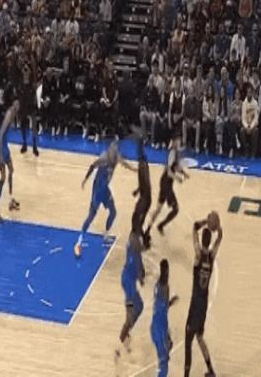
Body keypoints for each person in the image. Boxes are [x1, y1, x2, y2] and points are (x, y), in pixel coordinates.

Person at [75, 141, 135, 256]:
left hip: (105, 189)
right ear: (110, 150)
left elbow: (124, 163)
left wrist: (135, 169)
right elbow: (92, 166)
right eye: (114, 151)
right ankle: (79, 240)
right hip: (97, 190)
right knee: (91, 215)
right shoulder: (104, 158)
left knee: (113, 212)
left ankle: (106, 234)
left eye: (117, 151)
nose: (117, 154)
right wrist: (85, 180)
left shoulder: (116, 157)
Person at [184, 213, 223, 377]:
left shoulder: (198, 255)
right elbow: (220, 237)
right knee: (199, 338)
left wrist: (206, 221)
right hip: (203, 304)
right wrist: (217, 226)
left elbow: (194, 227)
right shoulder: (211, 257)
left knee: (188, 341)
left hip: (195, 304)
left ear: (202, 240)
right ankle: (211, 371)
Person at [146, 135, 189, 238]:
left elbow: (176, 167)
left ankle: (147, 230)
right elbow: (169, 172)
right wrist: (177, 178)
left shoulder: (175, 152)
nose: (179, 142)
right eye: (178, 141)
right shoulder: (172, 153)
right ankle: (160, 225)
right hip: (166, 183)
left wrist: (183, 173)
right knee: (175, 209)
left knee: (158, 209)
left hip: (165, 183)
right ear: (174, 141)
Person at [116, 228, 145, 356]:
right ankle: (121, 341)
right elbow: (138, 267)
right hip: (128, 282)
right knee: (131, 312)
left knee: (140, 307)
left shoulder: (133, 244)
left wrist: (141, 276)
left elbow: (140, 265)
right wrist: (140, 277)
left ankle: (125, 333)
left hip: (129, 280)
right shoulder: (134, 250)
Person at [151, 259, 179, 377]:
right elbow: (162, 307)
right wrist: (171, 302)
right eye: (167, 270)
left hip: (159, 324)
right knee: (163, 359)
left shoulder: (160, 285)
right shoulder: (162, 286)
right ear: (165, 271)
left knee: (165, 355)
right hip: (159, 326)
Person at [0, 100, 20, 222]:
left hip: (4, 144)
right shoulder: (10, 114)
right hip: (0, 145)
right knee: (3, 178)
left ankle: (10, 199)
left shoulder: (14, 113)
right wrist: (0, 156)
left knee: (11, 170)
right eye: (17, 104)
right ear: (14, 105)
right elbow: (0, 135)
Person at [130, 126, 152, 249]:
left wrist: (143, 196)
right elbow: (144, 182)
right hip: (145, 196)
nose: (137, 151)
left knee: (136, 220)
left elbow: (146, 182)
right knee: (137, 220)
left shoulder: (143, 165)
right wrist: (138, 190)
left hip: (146, 198)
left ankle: (142, 240)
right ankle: (144, 238)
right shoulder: (142, 163)